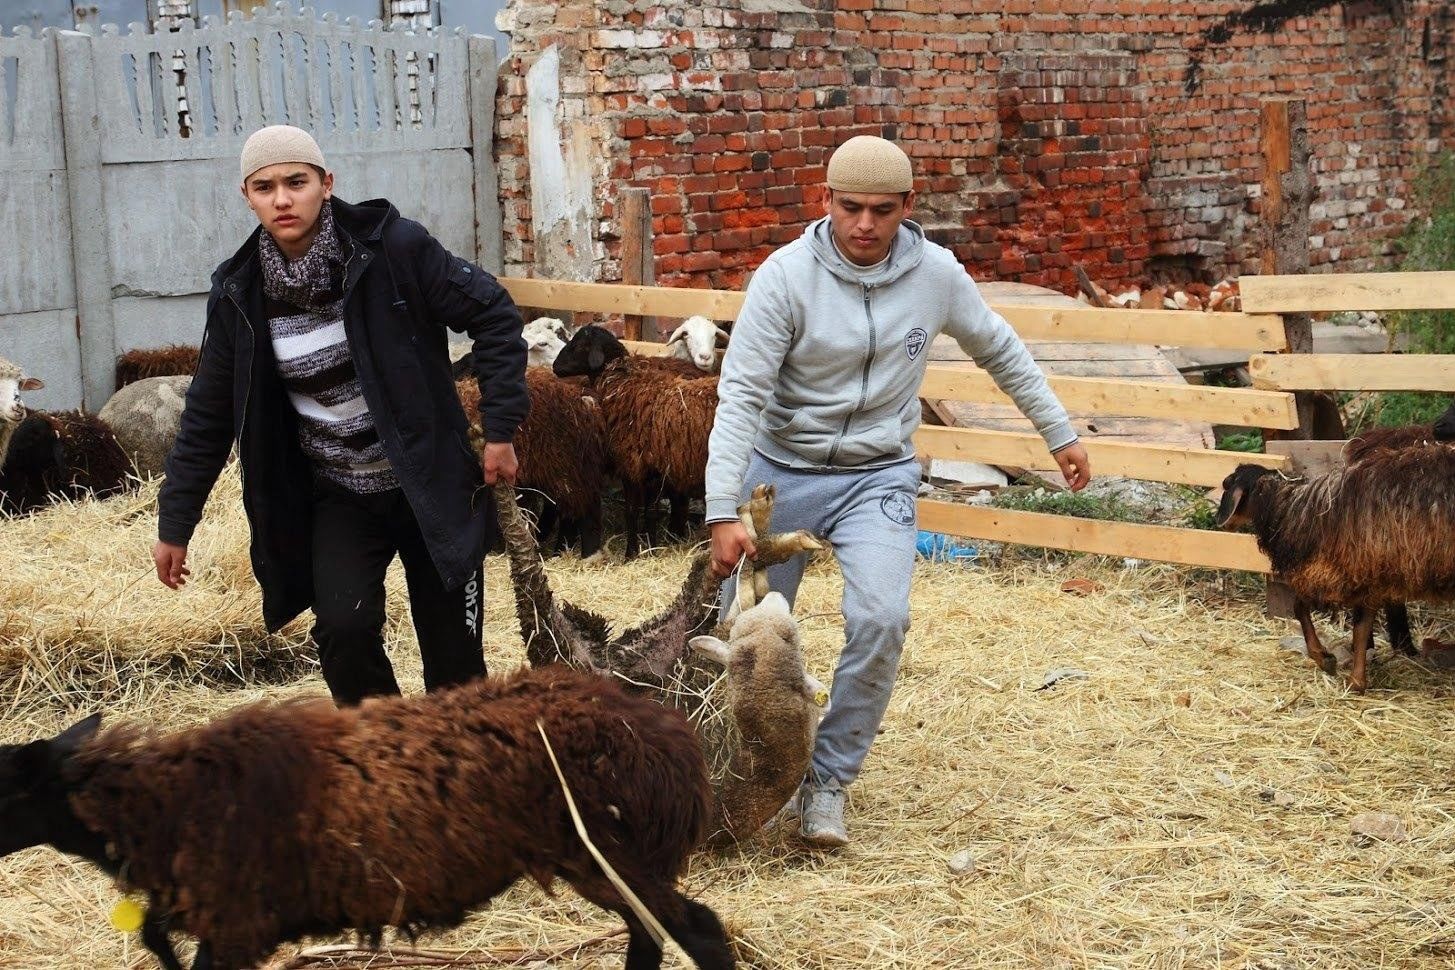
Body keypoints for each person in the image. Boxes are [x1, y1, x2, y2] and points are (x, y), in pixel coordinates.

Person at [706, 135, 1091, 847]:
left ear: (908, 208)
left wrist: (1058, 432)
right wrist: (722, 509)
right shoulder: (784, 278)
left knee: (882, 620)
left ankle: (826, 785)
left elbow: (999, 348)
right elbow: (740, 395)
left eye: (882, 211)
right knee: (746, 639)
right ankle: (745, 776)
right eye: (849, 207)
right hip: (777, 473)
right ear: (824, 201)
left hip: (875, 474)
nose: (864, 225)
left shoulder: (935, 275)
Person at [152, 125, 528, 706]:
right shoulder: (240, 294)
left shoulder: (395, 250)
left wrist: (500, 429)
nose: (282, 199)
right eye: (265, 186)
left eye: (296, 182)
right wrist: (176, 524)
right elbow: (208, 411)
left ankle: (461, 778)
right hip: (340, 495)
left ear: (326, 184)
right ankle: (385, 761)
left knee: (454, 666)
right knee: (343, 635)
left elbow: (495, 315)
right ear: (247, 196)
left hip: (430, 483)